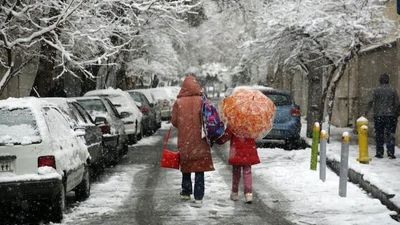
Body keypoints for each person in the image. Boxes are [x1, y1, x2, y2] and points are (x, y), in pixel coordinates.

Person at [171, 74, 214, 207]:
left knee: (186, 164)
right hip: (201, 139)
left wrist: (184, 127)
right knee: (199, 167)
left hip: (185, 139)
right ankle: (199, 196)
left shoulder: (179, 102)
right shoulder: (202, 100)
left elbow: (174, 121)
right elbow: (209, 119)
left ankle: (186, 191)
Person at [216, 126, 260, 203]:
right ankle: (248, 194)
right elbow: (256, 135)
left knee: (236, 173)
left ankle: (235, 193)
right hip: (248, 151)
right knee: (247, 172)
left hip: (236, 151)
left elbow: (226, 136)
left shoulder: (234, 121)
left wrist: (218, 141)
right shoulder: (252, 121)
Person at [366, 73, 400, 159]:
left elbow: (370, 101)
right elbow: (397, 103)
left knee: (379, 134)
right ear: (388, 80)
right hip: (390, 116)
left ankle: (379, 152)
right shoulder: (393, 90)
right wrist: (397, 113)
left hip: (378, 115)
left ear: (380, 80)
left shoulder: (376, 90)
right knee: (390, 134)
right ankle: (390, 152)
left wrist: (366, 111)